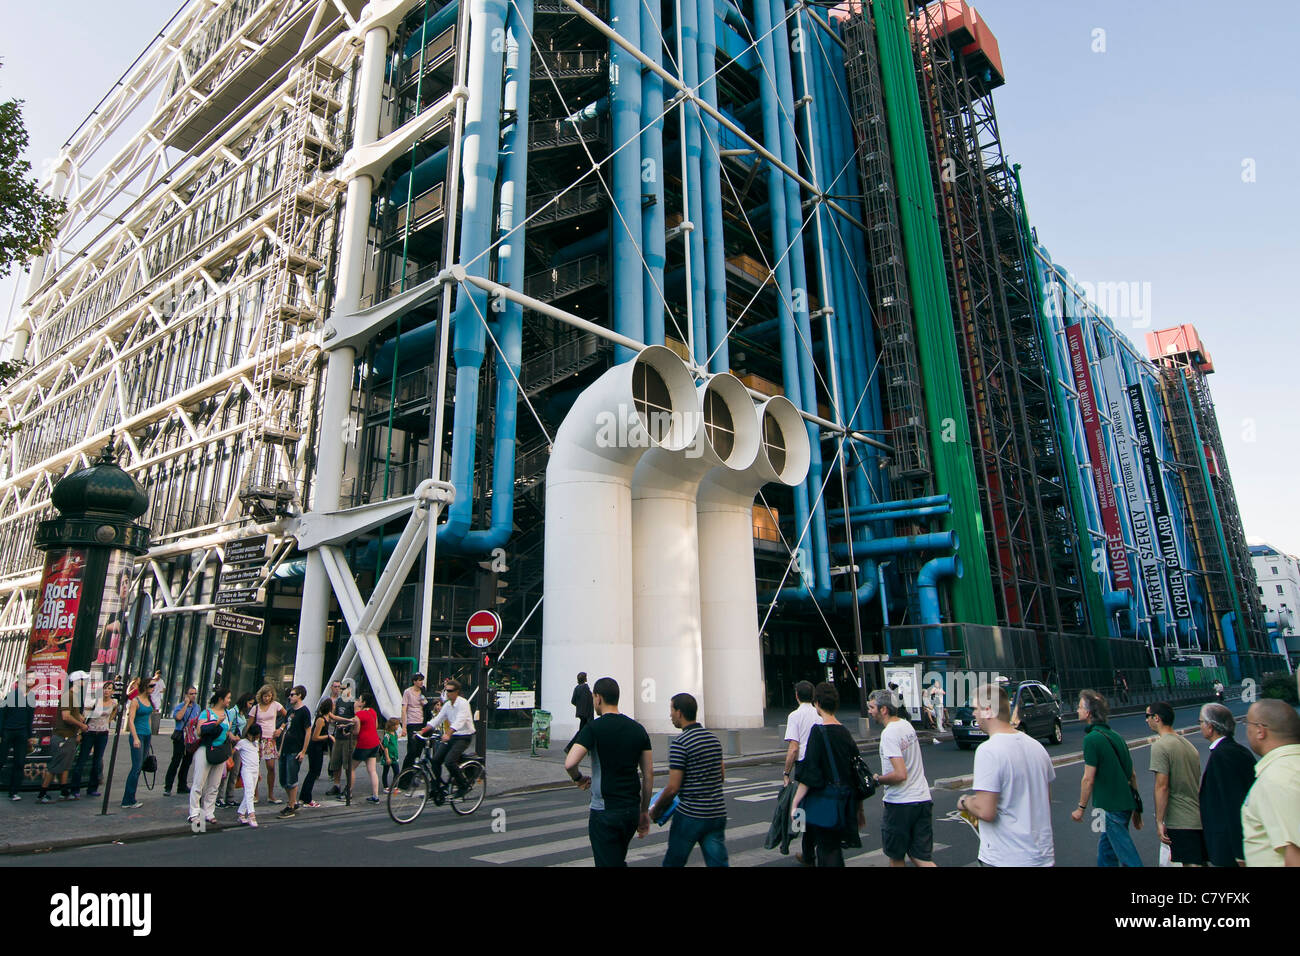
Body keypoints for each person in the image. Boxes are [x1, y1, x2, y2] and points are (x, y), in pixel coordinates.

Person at [957, 682, 1056, 867]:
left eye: (976, 708)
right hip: (1042, 855)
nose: (973, 713)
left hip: (1007, 856)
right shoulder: (1037, 747)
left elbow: (986, 812)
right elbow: (1045, 799)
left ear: (988, 710)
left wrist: (965, 802)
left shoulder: (988, 750)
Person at [564, 676, 653, 867]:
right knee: (616, 859)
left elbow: (570, 763)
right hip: (630, 810)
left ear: (598, 698)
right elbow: (648, 775)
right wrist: (644, 811)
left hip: (604, 810)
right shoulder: (638, 729)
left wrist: (578, 778)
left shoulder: (593, 728)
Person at [791, 682, 865, 867]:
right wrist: (859, 808)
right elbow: (856, 772)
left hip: (825, 799)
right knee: (833, 847)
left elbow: (811, 772)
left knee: (826, 848)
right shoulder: (845, 733)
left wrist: (795, 802)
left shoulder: (819, 732)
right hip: (846, 799)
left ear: (817, 703)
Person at [650, 692, 727, 867]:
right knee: (718, 863)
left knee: (673, 862)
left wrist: (656, 809)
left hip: (690, 815)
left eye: (671, 709)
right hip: (716, 812)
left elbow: (673, 788)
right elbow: (721, 776)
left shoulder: (680, 743)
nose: (670, 715)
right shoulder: (713, 740)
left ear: (679, 712)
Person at [1071, 689, 1143, 866]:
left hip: (1110, 806)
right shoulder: (1116, 736)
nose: (1077, 710)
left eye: (1080, 707)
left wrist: (1081, 807)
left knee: (1127, 855)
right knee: (1106, 852)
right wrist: (1137, 809)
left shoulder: (1092, 739)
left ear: (1088, 713)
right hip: (1125, 803)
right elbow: (1132, 774)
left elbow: (1088, 778)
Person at [867, 689, 936, 867]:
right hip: (922, 799)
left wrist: (878, 779)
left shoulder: (889, 734)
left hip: (901, 804)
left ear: (884, 710)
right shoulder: (906, 725)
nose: (869, 711)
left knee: (896, 857)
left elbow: (899, 774)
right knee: (920, 857)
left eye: (872, 707)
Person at [1240, 699, 1300, 867]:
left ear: (1260, 731)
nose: (1247, 730)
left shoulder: (1278, 778)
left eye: (1247, 723)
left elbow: (1296, 855)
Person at [1145, 701, 1206, 865]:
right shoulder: (1189, 746)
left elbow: (1162, 786)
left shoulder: (1160, 746)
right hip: (1197, 816)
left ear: (1156, 718)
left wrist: (1159, 821)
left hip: (1180, 819)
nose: (1146, 720)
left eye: (1147, 716)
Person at [1197, 703, 1256, 867]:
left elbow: (1233, 804)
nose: (1200, 726)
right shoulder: (1237, 750)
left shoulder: (1222, 756)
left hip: (1229, 848)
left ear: (1210, 726)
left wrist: (1239, 853)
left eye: (1201, 722)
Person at [782, 680, 822, 865]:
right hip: (821, 764)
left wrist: (786, 772)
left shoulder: (795, 716)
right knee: (817, 803)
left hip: (804, 764)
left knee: (801, 806)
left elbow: (793, 748)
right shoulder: (820, 713)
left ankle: (805, 846)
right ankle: (815, 847)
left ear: (797, 695)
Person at [39, 672, 89, 803]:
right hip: (63, 736)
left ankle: (64, 791)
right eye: (83, 680)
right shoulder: (69, 696)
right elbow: (66, 716)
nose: (85, 683)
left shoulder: (73, 697)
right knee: (55, 765)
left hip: (69, 736)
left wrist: (80, 719)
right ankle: (42, 793)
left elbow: (72, 714)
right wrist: (81, 726)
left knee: (65, 765)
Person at [189, 688, 234, 827]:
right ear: (221, 699)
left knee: (215, 784)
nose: (229, 701)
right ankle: (194, 813)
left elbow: (227, 732)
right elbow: (199, 731)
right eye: (228, 698)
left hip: (220, 751)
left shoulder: (227, 714)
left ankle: (209, 812)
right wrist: (216, 723)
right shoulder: (206, 713)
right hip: (206, 749)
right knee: (199, 783)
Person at [425, 678, 476, 797]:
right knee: (436, 760)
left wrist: (448, 733)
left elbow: (460, 721)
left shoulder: (463, 703)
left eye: (450, 690)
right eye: (446, 690)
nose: (447, 693)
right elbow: (438, 719)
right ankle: (437, 787)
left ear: (457, 691)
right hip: (452, 736)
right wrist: (423, 731)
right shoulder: (447, 705)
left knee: (449, 761)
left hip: (464, 736)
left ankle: (463, 785)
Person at [70, 679, 117, 798]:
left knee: (97, 761)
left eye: (109, 688)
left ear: (113, 691)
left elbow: (112, 715)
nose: (106, 691)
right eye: (105, 688)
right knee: (82, 759)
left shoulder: (114, 703)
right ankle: (74, 788)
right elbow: (84, 717)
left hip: (103, 734)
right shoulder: (94, 701)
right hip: (90, 732)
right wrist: (80, 732)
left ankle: (92, 787)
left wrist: (106, 723)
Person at [276, 685, 312, 817]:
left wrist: (303, 751)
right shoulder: (290, 711)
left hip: (295, 749)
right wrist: (280, 749)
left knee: (292, 778)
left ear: (300, 696)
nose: (290, 697)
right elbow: (286, 730)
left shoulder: (304, 711)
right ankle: (292, 801)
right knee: (283, 779)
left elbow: (308, 731)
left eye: (292, 695)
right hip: (285, 748)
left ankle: (291, 805)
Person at [120, 674, 155, 808]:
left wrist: (150, 732)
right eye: (151, 686)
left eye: (154, 686)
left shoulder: (149, 701)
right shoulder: (136, 701)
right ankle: (128, 799)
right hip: (138, 734)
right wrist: (135, 737)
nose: (153, 688)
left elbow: (149, 717)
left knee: (140, 766)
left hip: (146, 734)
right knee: (136, 766)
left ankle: (131, 797)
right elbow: (131, 720)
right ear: (145, 687)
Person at [1, 677, 37, 801]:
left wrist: (30, 735)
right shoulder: (11, 695)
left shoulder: (31, 697)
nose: (32, 681)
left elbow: (30, 718)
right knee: (1, 760)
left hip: (22, 733)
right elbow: (2, 714)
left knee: (20, 762)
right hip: (8, 731)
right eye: (29, 679)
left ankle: (14, 791)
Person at [249, 685, 286, 804]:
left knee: (271, 767)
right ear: (261, 696)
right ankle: (255, 794)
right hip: (258, 739)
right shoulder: (256, 708)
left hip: (270, 739)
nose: (267, 698)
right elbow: (250, 724)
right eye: (265, 696)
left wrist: (280, 728)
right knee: (255, 767)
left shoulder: (276, 705)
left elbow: (288, 716)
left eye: (269, 696)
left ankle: (271, 794)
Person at [217, 692, 252, 808]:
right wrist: (232, 736)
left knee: (235, 771)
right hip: (230, 743)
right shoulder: (233, 712)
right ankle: (219, 797)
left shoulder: (242, 714)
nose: (250, 706)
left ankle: (230, 797)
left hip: (238, 744)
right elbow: (227, 727)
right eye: (249, 703)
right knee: (225, 771)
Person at [163, 686, 200, 796]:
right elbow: (178, 717)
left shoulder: (197, 707)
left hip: (190, 737)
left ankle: (182, 785)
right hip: (180, 736)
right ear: (186, 695)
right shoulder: (180, 706)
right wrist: (185, 705)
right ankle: (168, 786)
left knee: (187, 761)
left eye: (194, 694)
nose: (193, 696)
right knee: (176, 760)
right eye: (191, 694)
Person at [299, 698, 333, 808]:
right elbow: (315, 737)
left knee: (314, 772)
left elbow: (336, 717)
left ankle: (304, 796)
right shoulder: (321, 719)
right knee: (313, 772)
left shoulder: (327, 717)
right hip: (315, 748)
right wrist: (328, 736)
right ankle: (306, 798)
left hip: (319, 748)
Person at [326, 679, 357, 798]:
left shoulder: (353, 702)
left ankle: (349, 787)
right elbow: (333, 715)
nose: (341, 690)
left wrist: (347, 724)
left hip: (348, 737)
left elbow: (355, 719)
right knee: (335, 762)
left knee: (347, 764)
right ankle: (336, 784)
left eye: (344, 688)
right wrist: (334, 721)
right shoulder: (338, 701)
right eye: (341, 688)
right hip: (338, 735)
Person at [235, 722, 262, 827]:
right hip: (247, 770)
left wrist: (258, 772)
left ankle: (241, 813)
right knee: (250, 792)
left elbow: (256, 758)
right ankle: (251, 814)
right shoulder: (242, 742)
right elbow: (234, 751)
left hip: (255, 770)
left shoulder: (256, 744)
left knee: (249, 793)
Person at [400, 674, 428, 771]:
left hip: (421, 721)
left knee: (419, 748)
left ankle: (414, 771)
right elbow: (404, 709)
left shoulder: (422, 691)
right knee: (412, 748)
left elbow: (425, 705)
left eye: (422, 680)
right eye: (419, 680)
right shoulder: (407, 692)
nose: (421, 682)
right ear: (414, 681)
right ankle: (406, 772)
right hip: (412, 722)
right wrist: (404, 727)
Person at [381, 718, 401, 792]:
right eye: (396, 725)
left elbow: (396, 738)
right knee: (386, 771)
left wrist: (401, 735)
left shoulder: (394, 733)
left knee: (396, 771)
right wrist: (387, 757)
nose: (397, 726)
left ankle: (395, 786)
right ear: (392, 726)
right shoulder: (387, 735)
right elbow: (385, 747)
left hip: (395, 756)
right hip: (389, 756)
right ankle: (385, 786)